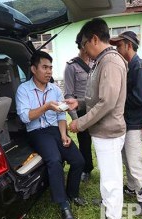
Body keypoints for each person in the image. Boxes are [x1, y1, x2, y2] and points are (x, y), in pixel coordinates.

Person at [66, 18, 127, 219]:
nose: (84, 49)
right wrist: (79, 103)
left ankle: (113, 215)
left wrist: (80, 122)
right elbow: (97, 97)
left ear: (94, 39)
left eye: (84, 44)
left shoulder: (110, 61)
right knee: (107, 171)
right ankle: (107, 202)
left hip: (109, 130)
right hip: (103, 130)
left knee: (111, 175)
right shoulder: (102, 60)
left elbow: (107, 102)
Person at [15, 50, 86, 219]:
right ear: (33, 69)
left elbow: (62, 116)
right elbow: (25, 117)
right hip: (37, 132)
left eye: (51, 68)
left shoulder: (55, 89)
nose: (49, 72)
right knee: (54, 160)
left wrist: (64, 135)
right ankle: (63, 206)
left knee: (78, 160)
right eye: (44, 67)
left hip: (56, 130)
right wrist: (46, 106)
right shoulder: (23, 90)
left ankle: (72, 193)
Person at [109, 31, 142, 214]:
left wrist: (119, 100)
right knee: (126, 159)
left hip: (134, 123)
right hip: (126, 121)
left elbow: (141, 99)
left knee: (135, 163)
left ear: (128, 45)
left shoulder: (139, 67)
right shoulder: (130, 65)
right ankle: (132, 188)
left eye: (119, 46)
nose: (117, 49)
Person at [64, 32, 94, 183]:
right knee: (85, 142)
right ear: (82, 46)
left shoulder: (96, 64)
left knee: (102, 139)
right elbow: (68, 95)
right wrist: (76, 120)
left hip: (97, 107)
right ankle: (87, 169)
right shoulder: (71, 66)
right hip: (81, 110)